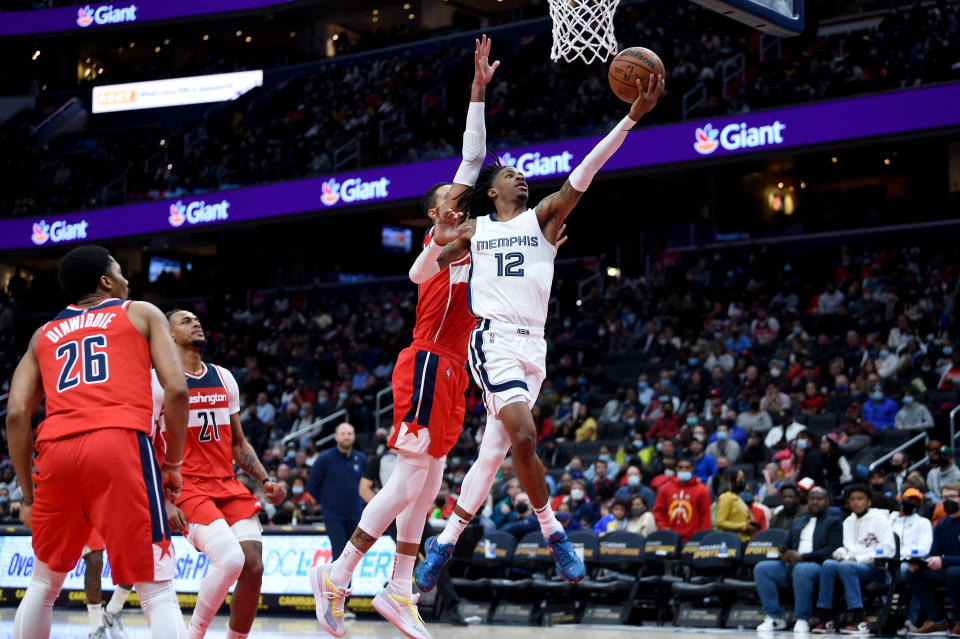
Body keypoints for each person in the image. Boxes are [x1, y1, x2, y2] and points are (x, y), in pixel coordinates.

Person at [416, 66, 664, 591]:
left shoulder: (545, 219)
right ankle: (554, 532)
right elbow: (423, 271)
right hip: (494, 339)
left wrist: (630, 119)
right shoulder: (476, 228)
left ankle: (444, 541)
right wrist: (439, 240)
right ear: (493, 190)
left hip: (535, 347)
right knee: (524, 435)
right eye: (511, 175)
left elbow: (587, 170)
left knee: (494, 452)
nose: (521, 177)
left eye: (523, 173)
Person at [313, 37, 505, 639]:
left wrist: (481, 92)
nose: (461, 196)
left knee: (428, 487)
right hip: (424, 362)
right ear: (433, 212)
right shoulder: (439, 242)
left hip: (457, 369)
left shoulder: (478, 236)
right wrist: (473, 93)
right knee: (406, 479)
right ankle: (339, 572)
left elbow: (477, 166)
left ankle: (398, 588)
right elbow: (469, 163)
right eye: (451, 195)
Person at [5, 245, 188, 638]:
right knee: (156, 590)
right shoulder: (139, 312)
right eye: (121, 273)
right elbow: (176, 390)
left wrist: (27, 495)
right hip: (118, 442)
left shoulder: (43, 334)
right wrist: (172, 465)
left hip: (55, 451)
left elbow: (17, 414)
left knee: (43, 583)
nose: (127, 279)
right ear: (106, 281)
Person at [153, 310, 285, 639]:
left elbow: (238, 443)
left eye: (198, 319)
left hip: (226, 482)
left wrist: (265, 479)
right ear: (168, 336)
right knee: (230, 560)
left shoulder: (224, 377)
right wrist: (162, 501)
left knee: (253, 564)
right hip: (186, 487)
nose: (196, 322)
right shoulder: (157, 383)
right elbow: (145, 446)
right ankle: (194, 634)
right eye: (185, 321)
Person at [755, 487, 843, 633]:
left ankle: (803, 618)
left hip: (817, 566)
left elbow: (831, 550)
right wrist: (783, 553)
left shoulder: (834, 522)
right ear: (806, 501)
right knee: (762, 568)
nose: (815, 502)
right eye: (811, 499)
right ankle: (774, 617)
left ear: (827, 502)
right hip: (793, 564)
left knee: (801, 569)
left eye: (819, 499)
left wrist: (803, 557)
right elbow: (787, 544)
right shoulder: (798, 521)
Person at [812, 484, 895, 635]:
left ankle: (859, 618)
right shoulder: (848, 521)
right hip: (851, 566)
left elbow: (888, 550)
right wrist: (841, 552)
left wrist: (858, 559)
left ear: (869, 502)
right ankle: (825, 616)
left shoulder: (881, 519)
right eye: (853, 499)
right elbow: (849, 546)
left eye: (860, 499)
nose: (856, 502)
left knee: (846, 567)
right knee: (828, 565)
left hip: (876, 569)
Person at [905, 482, 960, 635]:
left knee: (954, 572)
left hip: (954, 570)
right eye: (944, 497)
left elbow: (944, 560)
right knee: (912, 573)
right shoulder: (942, 524)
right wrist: (919, 563)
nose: (948, 501)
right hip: (949, 569)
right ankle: (936, 620)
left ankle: (959, 620)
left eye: (953, 497)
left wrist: (944, 561)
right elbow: (934, 553)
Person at [307, 422, 366, 555]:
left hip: (355, 514)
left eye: (349, 434)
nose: (346, 437)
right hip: (333, 515)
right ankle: (335, 577)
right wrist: (325, 502)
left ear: (354, 436)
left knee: (352, 556)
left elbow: (367, 485)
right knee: (339, 553)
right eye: (343, 434)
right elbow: (311, 485)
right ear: (336, 437)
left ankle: (346, 577)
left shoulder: (361, 459)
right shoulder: (324, 459)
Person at [889, 488, 932, 633]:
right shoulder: (890, 519)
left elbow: (923, 548)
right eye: (909, 500)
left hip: (909, 564)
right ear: (901, 500)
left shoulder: (923, 522)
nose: (911, 503)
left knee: (912, 574)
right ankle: (883, 615)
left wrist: (902, 556)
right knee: (883, 571)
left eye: (915, 501)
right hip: (889, 562)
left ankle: (911, 619)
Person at [652, 458, 711, 541]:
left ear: (692, 469)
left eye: (687, 467)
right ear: (676, 469)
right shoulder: (666, 488)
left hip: (692, 539)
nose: (684, 470)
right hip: (669, 537)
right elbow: (658, 511)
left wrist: (700, 536)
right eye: (681, 467)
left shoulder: (702, 490)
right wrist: (663, 527)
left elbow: (706, 516)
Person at [715, 468, 757, 543]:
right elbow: (720, 522)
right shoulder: (726, 497)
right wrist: (744, 526)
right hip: (732, 542)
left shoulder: (737, 497)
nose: (743, 481)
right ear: (732, 480)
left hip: (744, 540)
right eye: (741, 478)